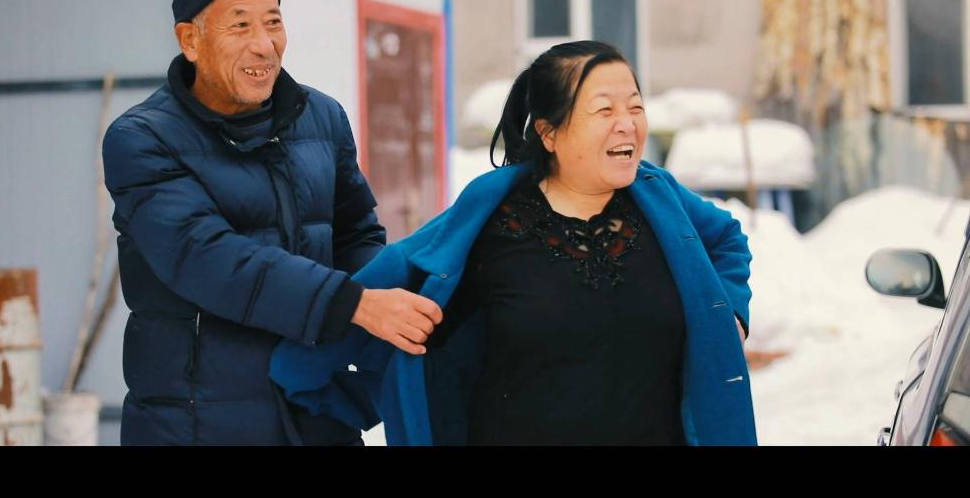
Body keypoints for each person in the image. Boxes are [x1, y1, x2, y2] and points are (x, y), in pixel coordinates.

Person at [270, 40, 755, 445]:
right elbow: (380, 300)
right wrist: (330, 389)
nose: (627, 123)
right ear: (549, 132)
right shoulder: (490, 221)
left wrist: (730, 313)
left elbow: (726, 239)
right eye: (604, 110)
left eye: (635, 106)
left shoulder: (659, 200)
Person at [102, 0, 441, 445]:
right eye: (240, 26)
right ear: (190, 40)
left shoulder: (322, 118)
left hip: (316, 413)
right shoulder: (142, 139)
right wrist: (353, 304)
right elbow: (207, 258)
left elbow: (355, 236)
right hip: (199, 426)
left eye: (273, 22)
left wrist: (403, 302)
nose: (264, 46)